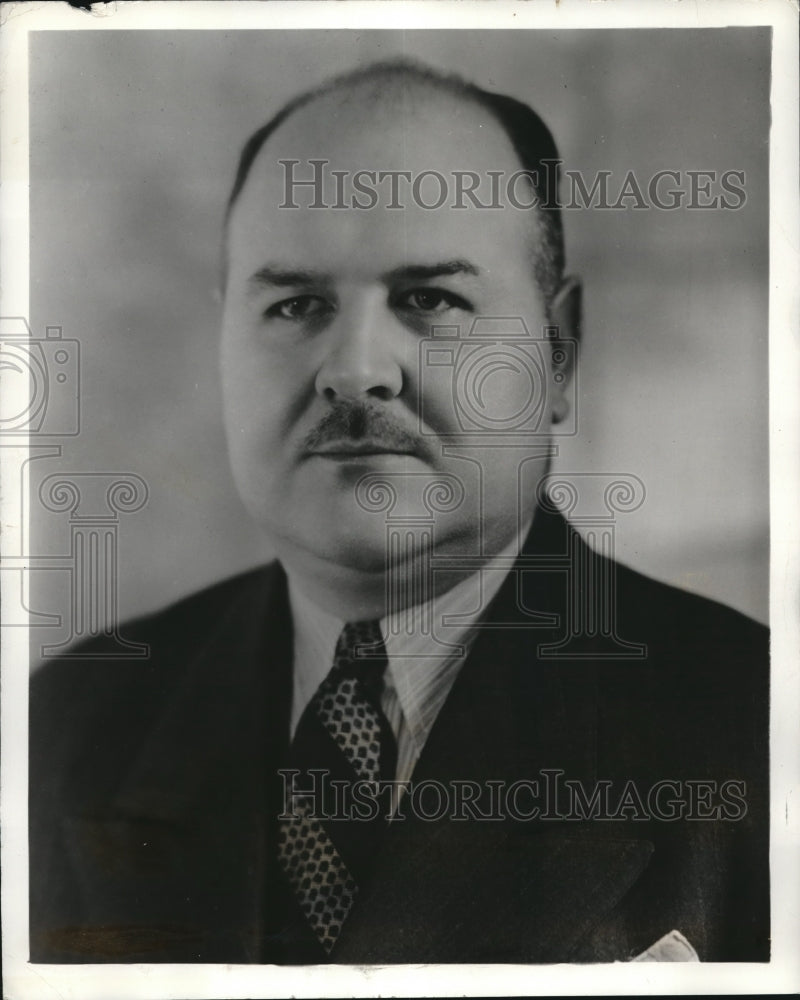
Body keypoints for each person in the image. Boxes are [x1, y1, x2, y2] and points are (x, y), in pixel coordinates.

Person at [29, 60, 769, 965]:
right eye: (296, 304)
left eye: (429, 300)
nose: (353, 369)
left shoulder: (760, 732)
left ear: (559, 353)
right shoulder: (60, 731)